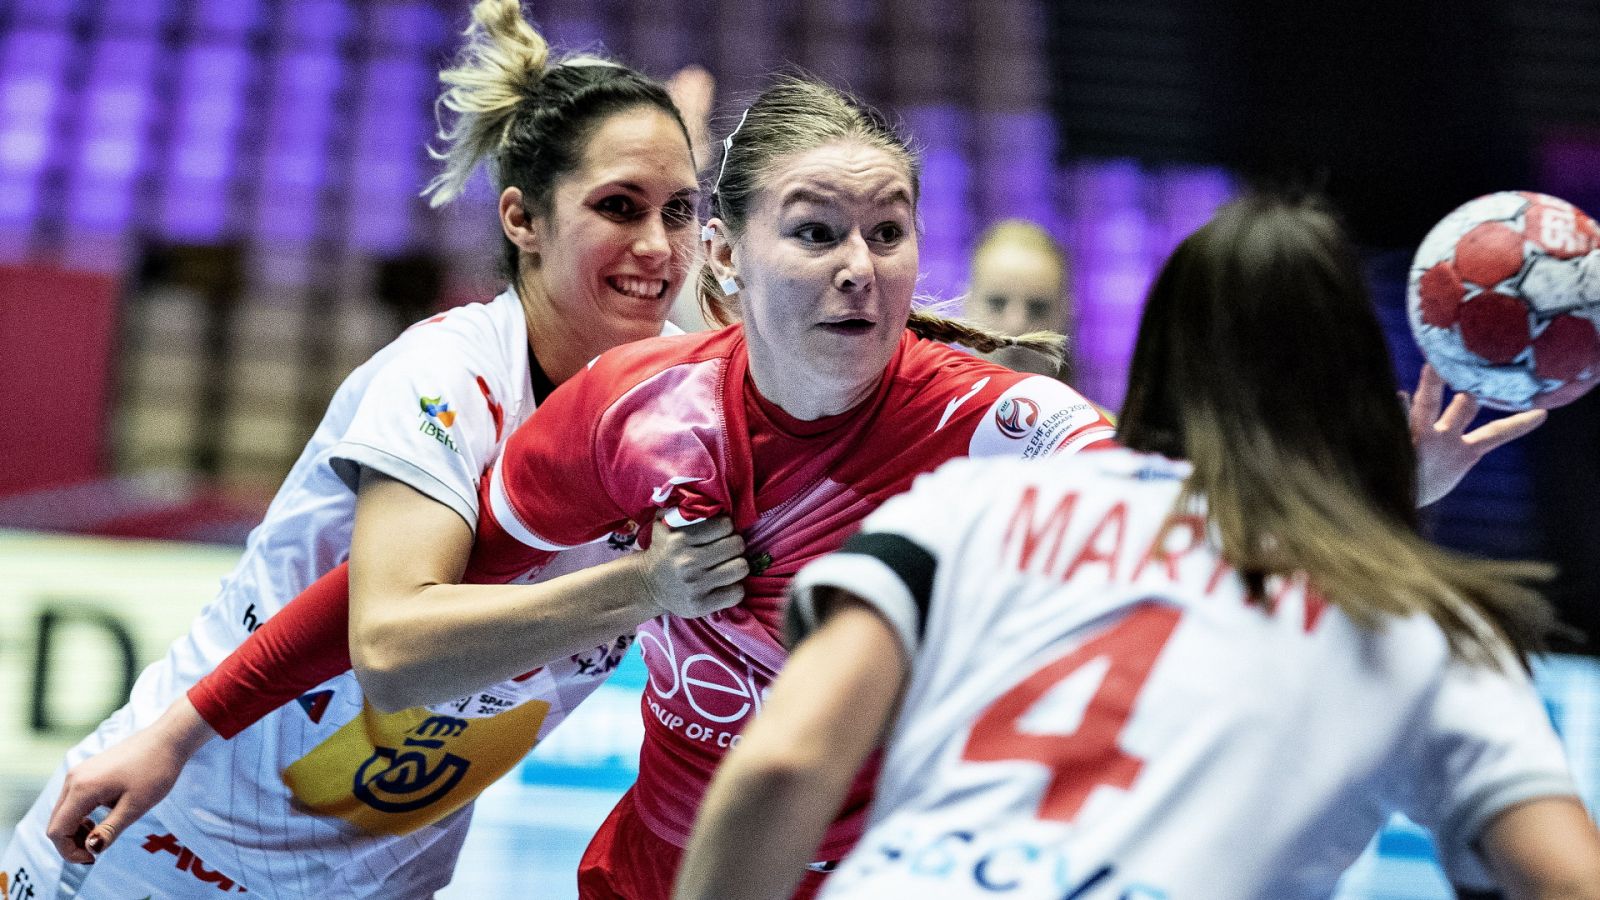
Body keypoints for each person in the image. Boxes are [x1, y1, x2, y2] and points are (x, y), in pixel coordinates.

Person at [43, 80, 1541, 897]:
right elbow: (407, 608)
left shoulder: (995, 438)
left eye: (887, 233)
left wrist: (1374, 484)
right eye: (815, 231)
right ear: (731, 261)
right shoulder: (633, 410)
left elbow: (1179, 526)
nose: (857, 266)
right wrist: (187, 715)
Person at [0, 2, 743, 897]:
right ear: (523, 220)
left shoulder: (678, 402)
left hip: (380, 880)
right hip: (161, 847)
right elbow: (390, 646)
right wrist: (645, 585)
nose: (658, 247)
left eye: (679, 210)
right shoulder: (447, 376)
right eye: (619, 208)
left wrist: (682, 140)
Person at [675, 195, 1600, 900]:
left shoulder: (966, 509)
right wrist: (1384, 502)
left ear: (1154, 353)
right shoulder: (1415, 619)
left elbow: (787, 761)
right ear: (1356, 382)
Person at [964, 219, 1073, 379]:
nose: (1016, 327)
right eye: (997, 303)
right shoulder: (927, 404)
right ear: (969, 306)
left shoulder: (1091, 405)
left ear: (1064, 316)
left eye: (1038, 309)